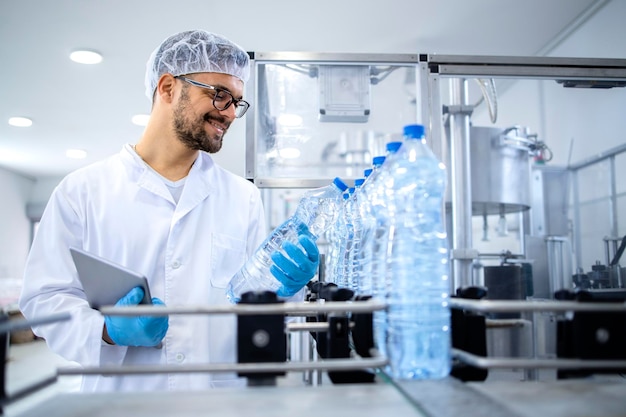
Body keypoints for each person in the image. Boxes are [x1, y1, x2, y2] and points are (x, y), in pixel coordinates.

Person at [18, 30, 319, 392]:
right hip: (124, 401)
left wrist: (285, 287)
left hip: (218, 401)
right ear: (167, 88)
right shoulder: (82, 191)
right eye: (219, 94)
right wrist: (107, 331)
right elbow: (44, 300)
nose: (229, 114)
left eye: (236, 102)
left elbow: (253, 305)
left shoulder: (243, 197)